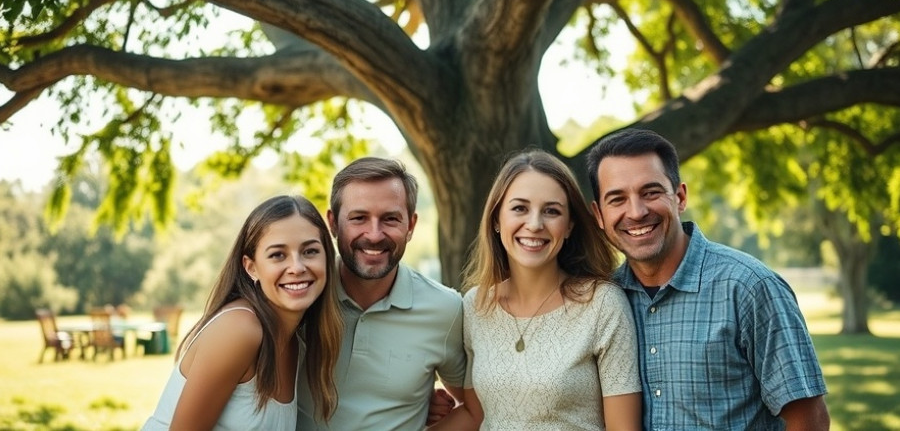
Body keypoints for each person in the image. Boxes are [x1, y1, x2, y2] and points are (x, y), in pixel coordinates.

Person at [585, 128, 830, 430]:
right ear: (598, 215)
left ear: (680, 196)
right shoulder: (604, 300)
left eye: (651, 192)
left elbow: (809, 420)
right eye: (617, 199)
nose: (636, 212)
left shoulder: (749, 287)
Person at [430, 149, 642, 430]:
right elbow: (477, 415)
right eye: (519, 208)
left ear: (569, 226)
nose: (534, 224)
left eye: (551, 211)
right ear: (496, 220)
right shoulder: (476, 305)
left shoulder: (602, 304)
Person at [143, 195, 342, 430]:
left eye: (310, 251)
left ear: (327, 258)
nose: (297, 267)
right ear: (251, 267)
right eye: (278, 255)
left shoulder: (296, 344)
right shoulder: (241, 328)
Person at [296, 157, 467, 430]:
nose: (374, 235)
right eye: (359, 218)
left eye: (390, 219)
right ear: (333, 223)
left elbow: (472, 408)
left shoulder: (445, 308)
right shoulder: (300, 297)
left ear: (410, 226)